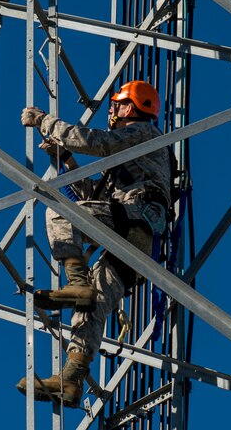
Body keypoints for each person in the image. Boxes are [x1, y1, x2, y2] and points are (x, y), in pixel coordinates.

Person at [16, 80, 172, 408]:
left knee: (59, 214)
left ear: (130, 108)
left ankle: (76, 282)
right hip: (135, 237)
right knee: (92, 307)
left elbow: (95, 142)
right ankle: (70, 379)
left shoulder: (144, 132)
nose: (111, 110)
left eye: (116, 104)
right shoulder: (131, 154)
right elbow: (93, 198)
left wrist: (45, 121)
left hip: (133, 216)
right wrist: (66, 159)